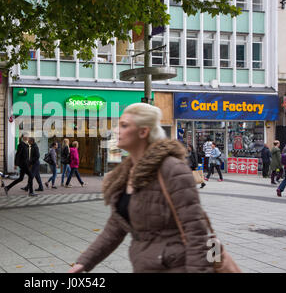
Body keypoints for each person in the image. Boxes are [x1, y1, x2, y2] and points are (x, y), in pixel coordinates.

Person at [68, 103, 213, 273]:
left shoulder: (172, 169)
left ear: (143, 132)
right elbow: (115, 227)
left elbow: (197, 232)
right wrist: (84, 262)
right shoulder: (125, 173)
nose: (117, 130)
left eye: (124, 125)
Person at [4, 132, 37, 196]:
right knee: (31, 176)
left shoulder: (26, 145)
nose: (28, 137)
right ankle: (31, 192)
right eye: (27, 136)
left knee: (21, 178)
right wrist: (16, 164)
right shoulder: (21, 145)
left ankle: (7, 187)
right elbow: (18, 155)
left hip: (25, 164)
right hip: (23, 164)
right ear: (24, 137)